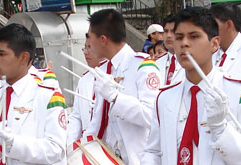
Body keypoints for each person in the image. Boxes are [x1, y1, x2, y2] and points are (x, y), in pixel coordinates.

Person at [141, 7, 241, 164]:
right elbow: (153, 151)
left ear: (214, 44)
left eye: (194, 36)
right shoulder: (165, 97)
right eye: (179, 37)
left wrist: (222, 130)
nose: (184, 44)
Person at [0, 23, 67, 164]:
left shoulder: (47, 96)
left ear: (24, 58)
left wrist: (15, 144)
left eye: (2, 54)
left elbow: (56, 150)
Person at [82, 9, 161, 164]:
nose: (89, 45)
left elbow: (152, 116)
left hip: (138, 159)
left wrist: (116, 98)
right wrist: (81, 146)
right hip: (106, 158)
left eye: (91, 38)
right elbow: (98, 119)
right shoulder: (104, 69)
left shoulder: (142, 66)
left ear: (103, 39)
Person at [67, 36, 107, 146]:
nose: (85, 52)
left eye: (90, 48)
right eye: (84, 48)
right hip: (89, 147)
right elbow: (76, 116)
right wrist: (69, 146)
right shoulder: (83, 80)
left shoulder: (113, 76)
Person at [156, 14, 185, 87]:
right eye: (166, 31)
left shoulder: (191, 62)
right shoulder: (157, 63)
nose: (168, 35)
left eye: (173, 31)